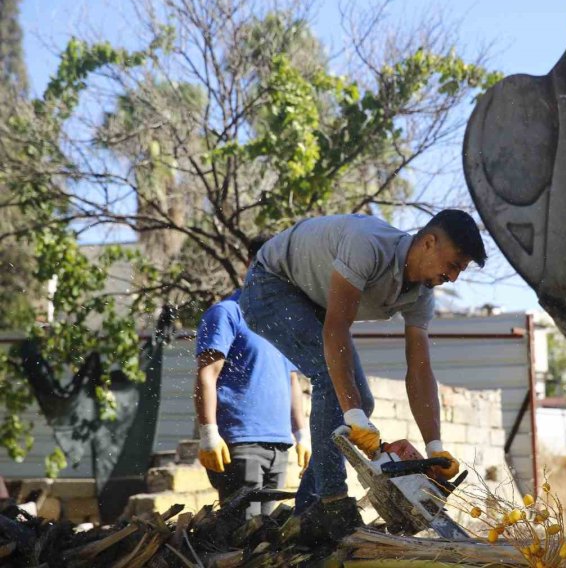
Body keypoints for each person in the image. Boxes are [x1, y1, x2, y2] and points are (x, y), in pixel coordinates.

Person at [239, 210, 486, 543]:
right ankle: (332, 503)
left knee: (361, 402)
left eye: (459, 271)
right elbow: (336, 327)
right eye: (453, 265)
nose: (453, 277)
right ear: (429, 242)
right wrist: (353, 415)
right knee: (335, 387)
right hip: (269, 284)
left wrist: (435, 449)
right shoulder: (367, 244)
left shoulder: (422, 294)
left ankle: (309, 509)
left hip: (311, 299)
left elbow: (419, 369)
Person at [194, 236, 311, 519]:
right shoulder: (226, 313)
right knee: (241, 532)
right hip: (241, 443)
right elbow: (206, 375)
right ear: (251, 264)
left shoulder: (279, 322)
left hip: (279, 444)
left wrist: (301, 434)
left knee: (266, 532)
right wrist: (209, 433)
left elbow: (292, 380)